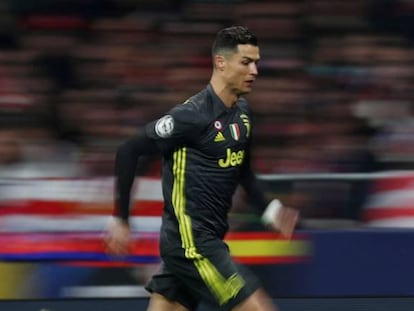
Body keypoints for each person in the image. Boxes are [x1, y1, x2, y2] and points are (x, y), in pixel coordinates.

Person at [105, 25, 299, 311]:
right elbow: (129, 150)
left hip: (202, 242)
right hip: (192, 246)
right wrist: (121, 219)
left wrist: (270, 209)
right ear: (221, 63)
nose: (255, 71)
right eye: (246, 62)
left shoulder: (242, 114)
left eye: (256, 62)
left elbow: (242, 171)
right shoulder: (191, 116)